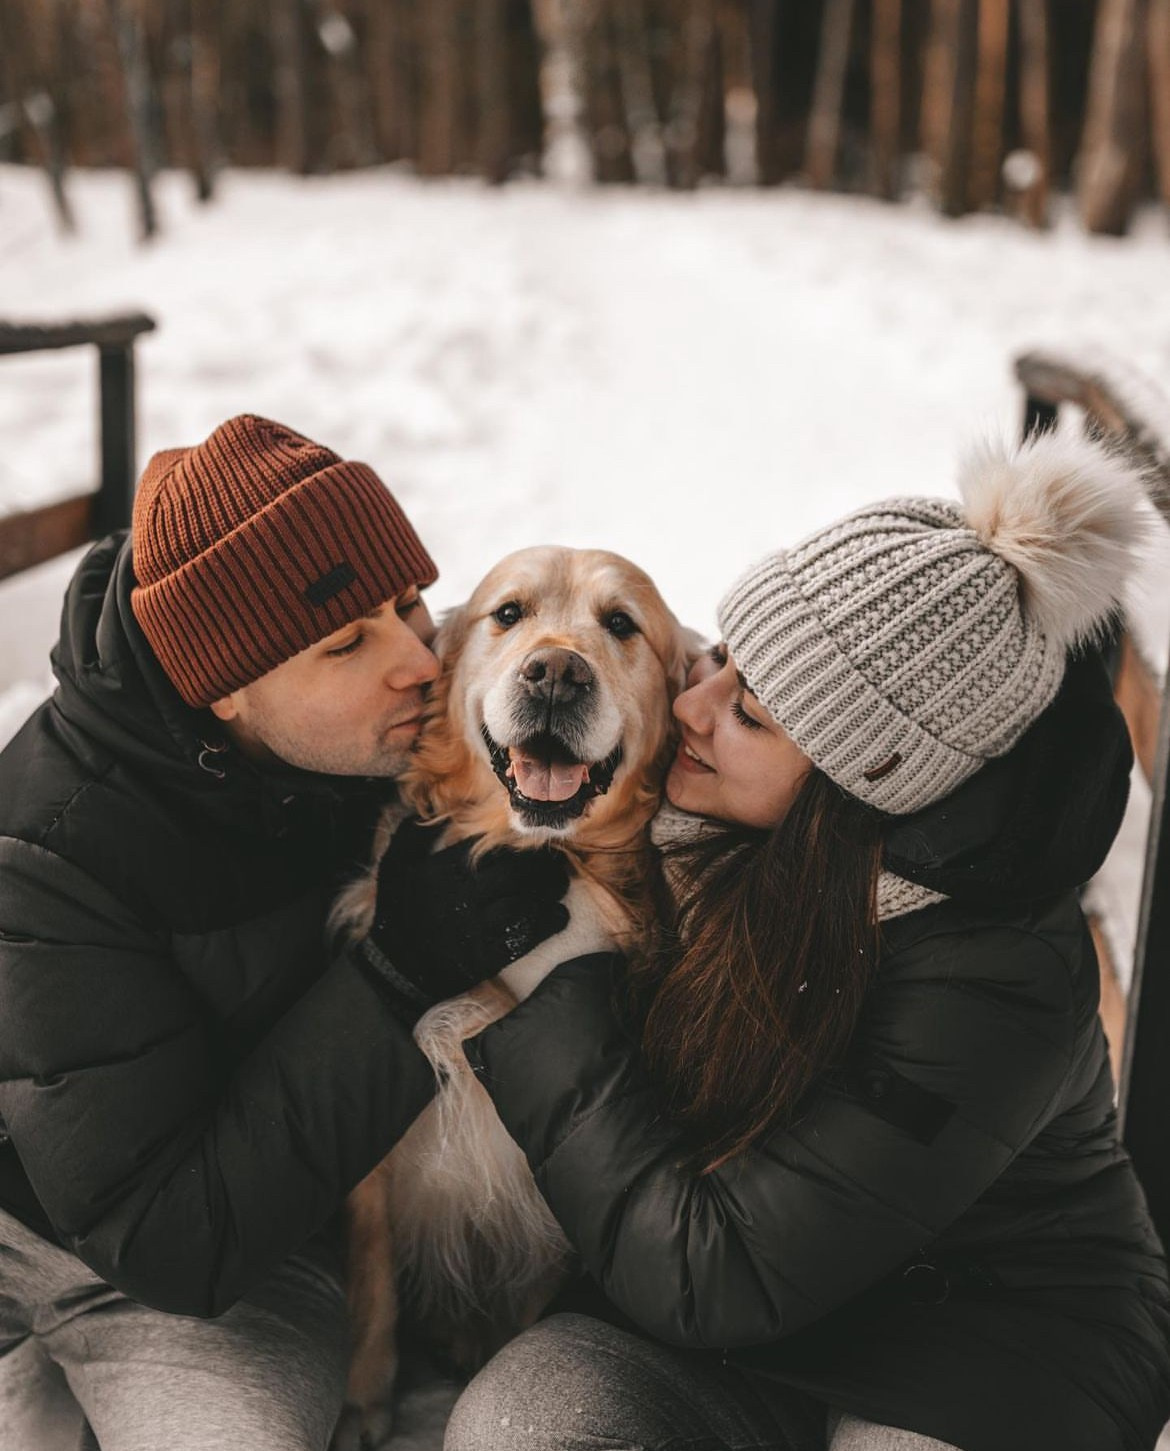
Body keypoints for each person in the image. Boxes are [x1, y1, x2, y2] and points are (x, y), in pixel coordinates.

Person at [444, 428, 1170, 1451]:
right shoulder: (714, 821)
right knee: (520, 1426)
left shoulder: (999, 975)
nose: (691, 701)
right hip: (732, 1314)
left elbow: (719, 1274)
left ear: (858, 778)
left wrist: (557, 999)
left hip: (989, 1342)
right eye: (725, 655)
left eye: (745, 710)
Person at [0, 415, 569, 1451]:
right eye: (346, 641)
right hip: (84, 1245)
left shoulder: (389, 730)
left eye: (407, 604)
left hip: (254, 1241)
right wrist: (398, 973)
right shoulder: (51, 852)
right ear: (223, 686)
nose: (417, 660)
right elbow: (167, 1239)